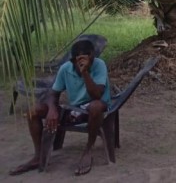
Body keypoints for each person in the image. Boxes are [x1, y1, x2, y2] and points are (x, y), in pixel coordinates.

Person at [9, 39, 111, 176]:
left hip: (96, 106)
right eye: (79, 61)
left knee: (96, 106)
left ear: (92, 56)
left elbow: (97, 95)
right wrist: (52, 110)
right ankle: (38, 156)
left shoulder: (99, 65)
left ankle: (88, 150)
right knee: (34, 111)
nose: (84, 63)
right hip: (74, 108)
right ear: (73, 60)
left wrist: (85, 73)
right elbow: (53, 93)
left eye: (88, 59)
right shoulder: (65, 68)